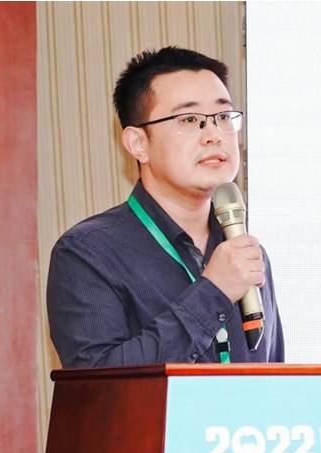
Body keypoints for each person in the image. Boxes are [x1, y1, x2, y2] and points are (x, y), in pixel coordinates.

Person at [47, 46, 284, 368]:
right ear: (138, 143)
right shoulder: (88, 252)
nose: (214, 135)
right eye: (190, 119)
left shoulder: (243, 252)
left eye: (223, 117)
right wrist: (213, 292)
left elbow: (273, 375)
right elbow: (100, 384)